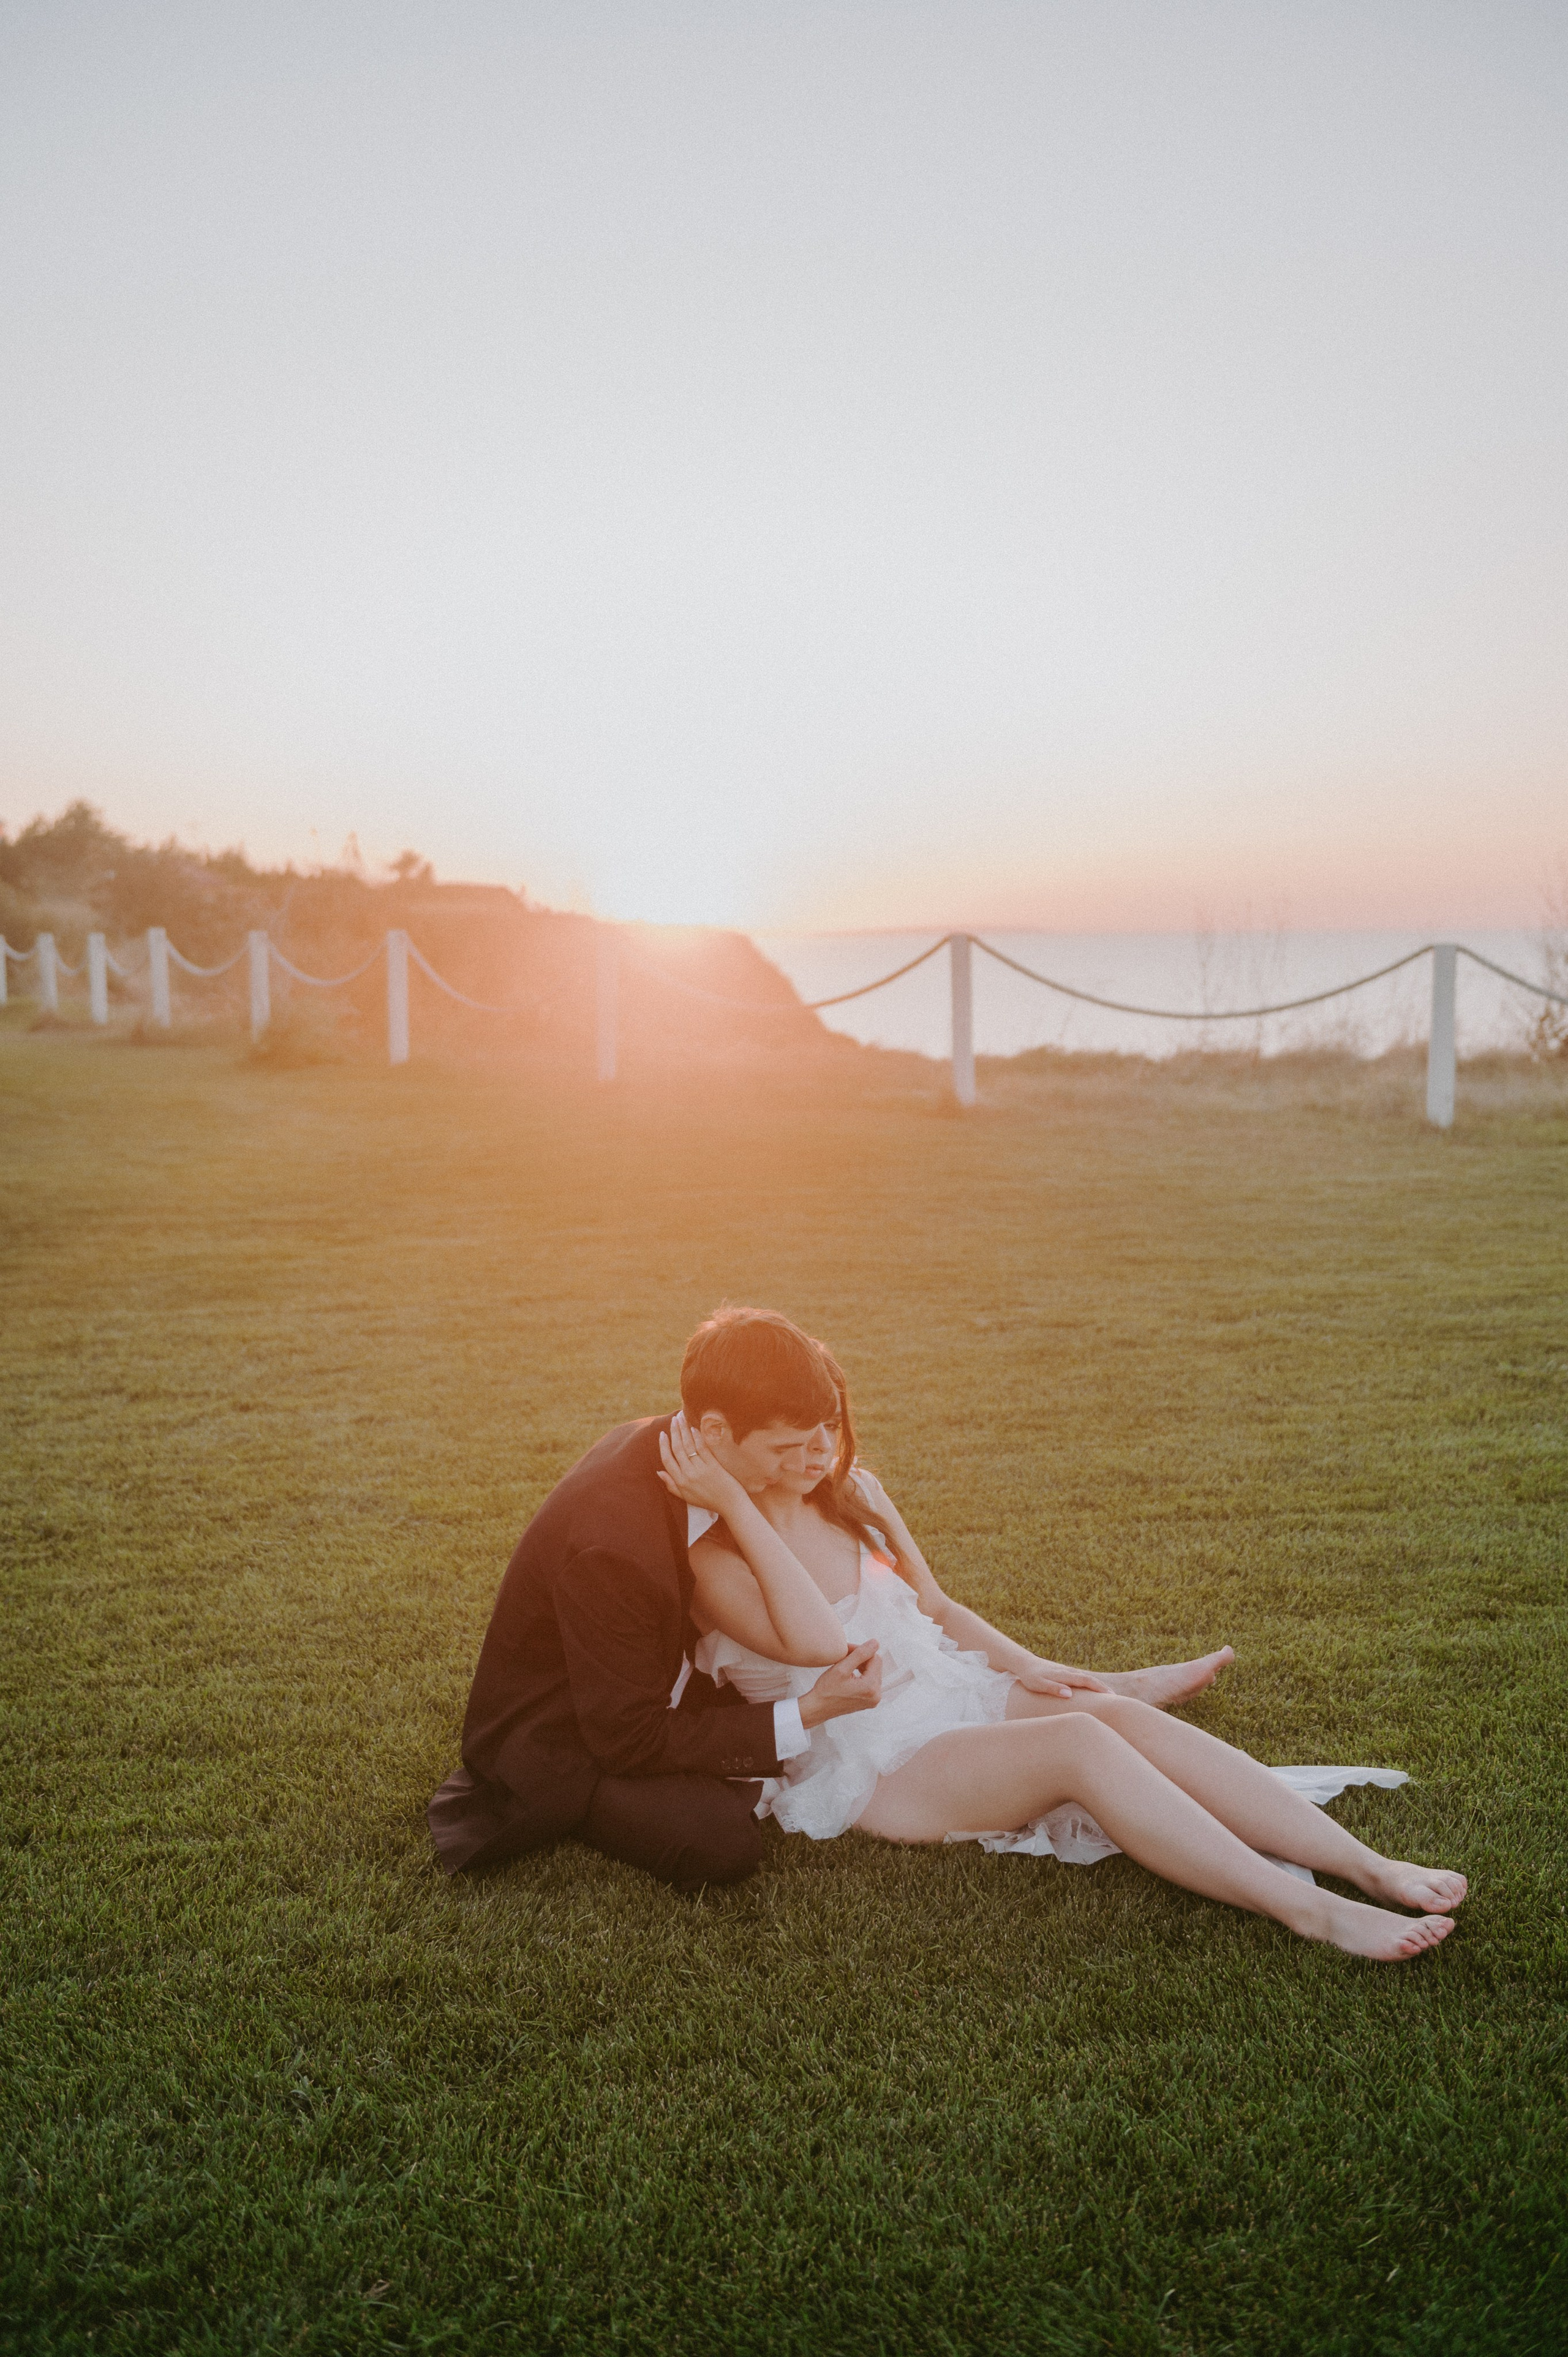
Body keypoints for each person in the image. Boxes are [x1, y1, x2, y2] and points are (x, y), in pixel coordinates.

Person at [657, 1337, 1468, 1962]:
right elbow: (823, 1645)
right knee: (1080, 1742)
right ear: (730, 1444)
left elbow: (935, 1607)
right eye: (791, 1443)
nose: (816, 1456)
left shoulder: (843, 1496)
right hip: (877, 1763)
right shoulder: (716, 1560)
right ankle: (1310, 1910)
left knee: (1108, 1713)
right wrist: (733, 1498)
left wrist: (1028, 1666)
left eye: (826, 1431)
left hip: (948, 1696)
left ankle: (1369, 1867)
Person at [428, 1307, 1233, 1894]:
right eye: (780, 1450)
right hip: (570, 1738)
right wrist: (804, 1716)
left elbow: (917, 1605)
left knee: (739, 1786)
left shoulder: (684, 1450)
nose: (798, 1466)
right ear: (714, 1434)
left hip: (655, 1684)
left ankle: (1113, 1696)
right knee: (720, 1845)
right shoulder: (620, 1540)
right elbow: (623, 1731)